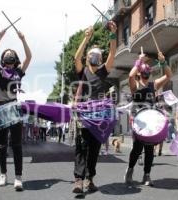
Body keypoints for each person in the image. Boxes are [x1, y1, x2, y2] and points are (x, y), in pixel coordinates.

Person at [72, 21, 117, 194]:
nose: (96, 56)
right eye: (93, 53)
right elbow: (76, 57)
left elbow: (112, 52)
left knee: (94, 148)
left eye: (98, 54)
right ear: (88, 56)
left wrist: (113, 34)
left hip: (99, 116)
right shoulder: (82, 71)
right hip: (83, 114)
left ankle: (89, 179)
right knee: (81, 147)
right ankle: (78, 180)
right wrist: (86, 38)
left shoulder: (103, 71)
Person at [0, 28, 31, 191]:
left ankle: (18, 177)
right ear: (3, 58)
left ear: (14, 58)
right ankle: (3, 174)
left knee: (17, 145)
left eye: (11, 52)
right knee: (1, 146)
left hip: (14, 107)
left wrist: (23, 39)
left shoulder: (18, 72)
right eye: (6, 53)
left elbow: (29, 57)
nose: (8, 54)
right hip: (0, 108)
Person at [124, 51, 172, 186]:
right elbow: (130, 75)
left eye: (148, 70)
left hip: (151, 121)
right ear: (139, 72)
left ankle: (147, 175)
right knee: (137, 148)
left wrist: (163, 62)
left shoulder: (154, 85)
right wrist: (138, 61)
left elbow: (169, 75)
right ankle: (130, 170)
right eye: (143, 70)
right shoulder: (135, 86)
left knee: (150, 149)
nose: (146, 72)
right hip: (139, 121)